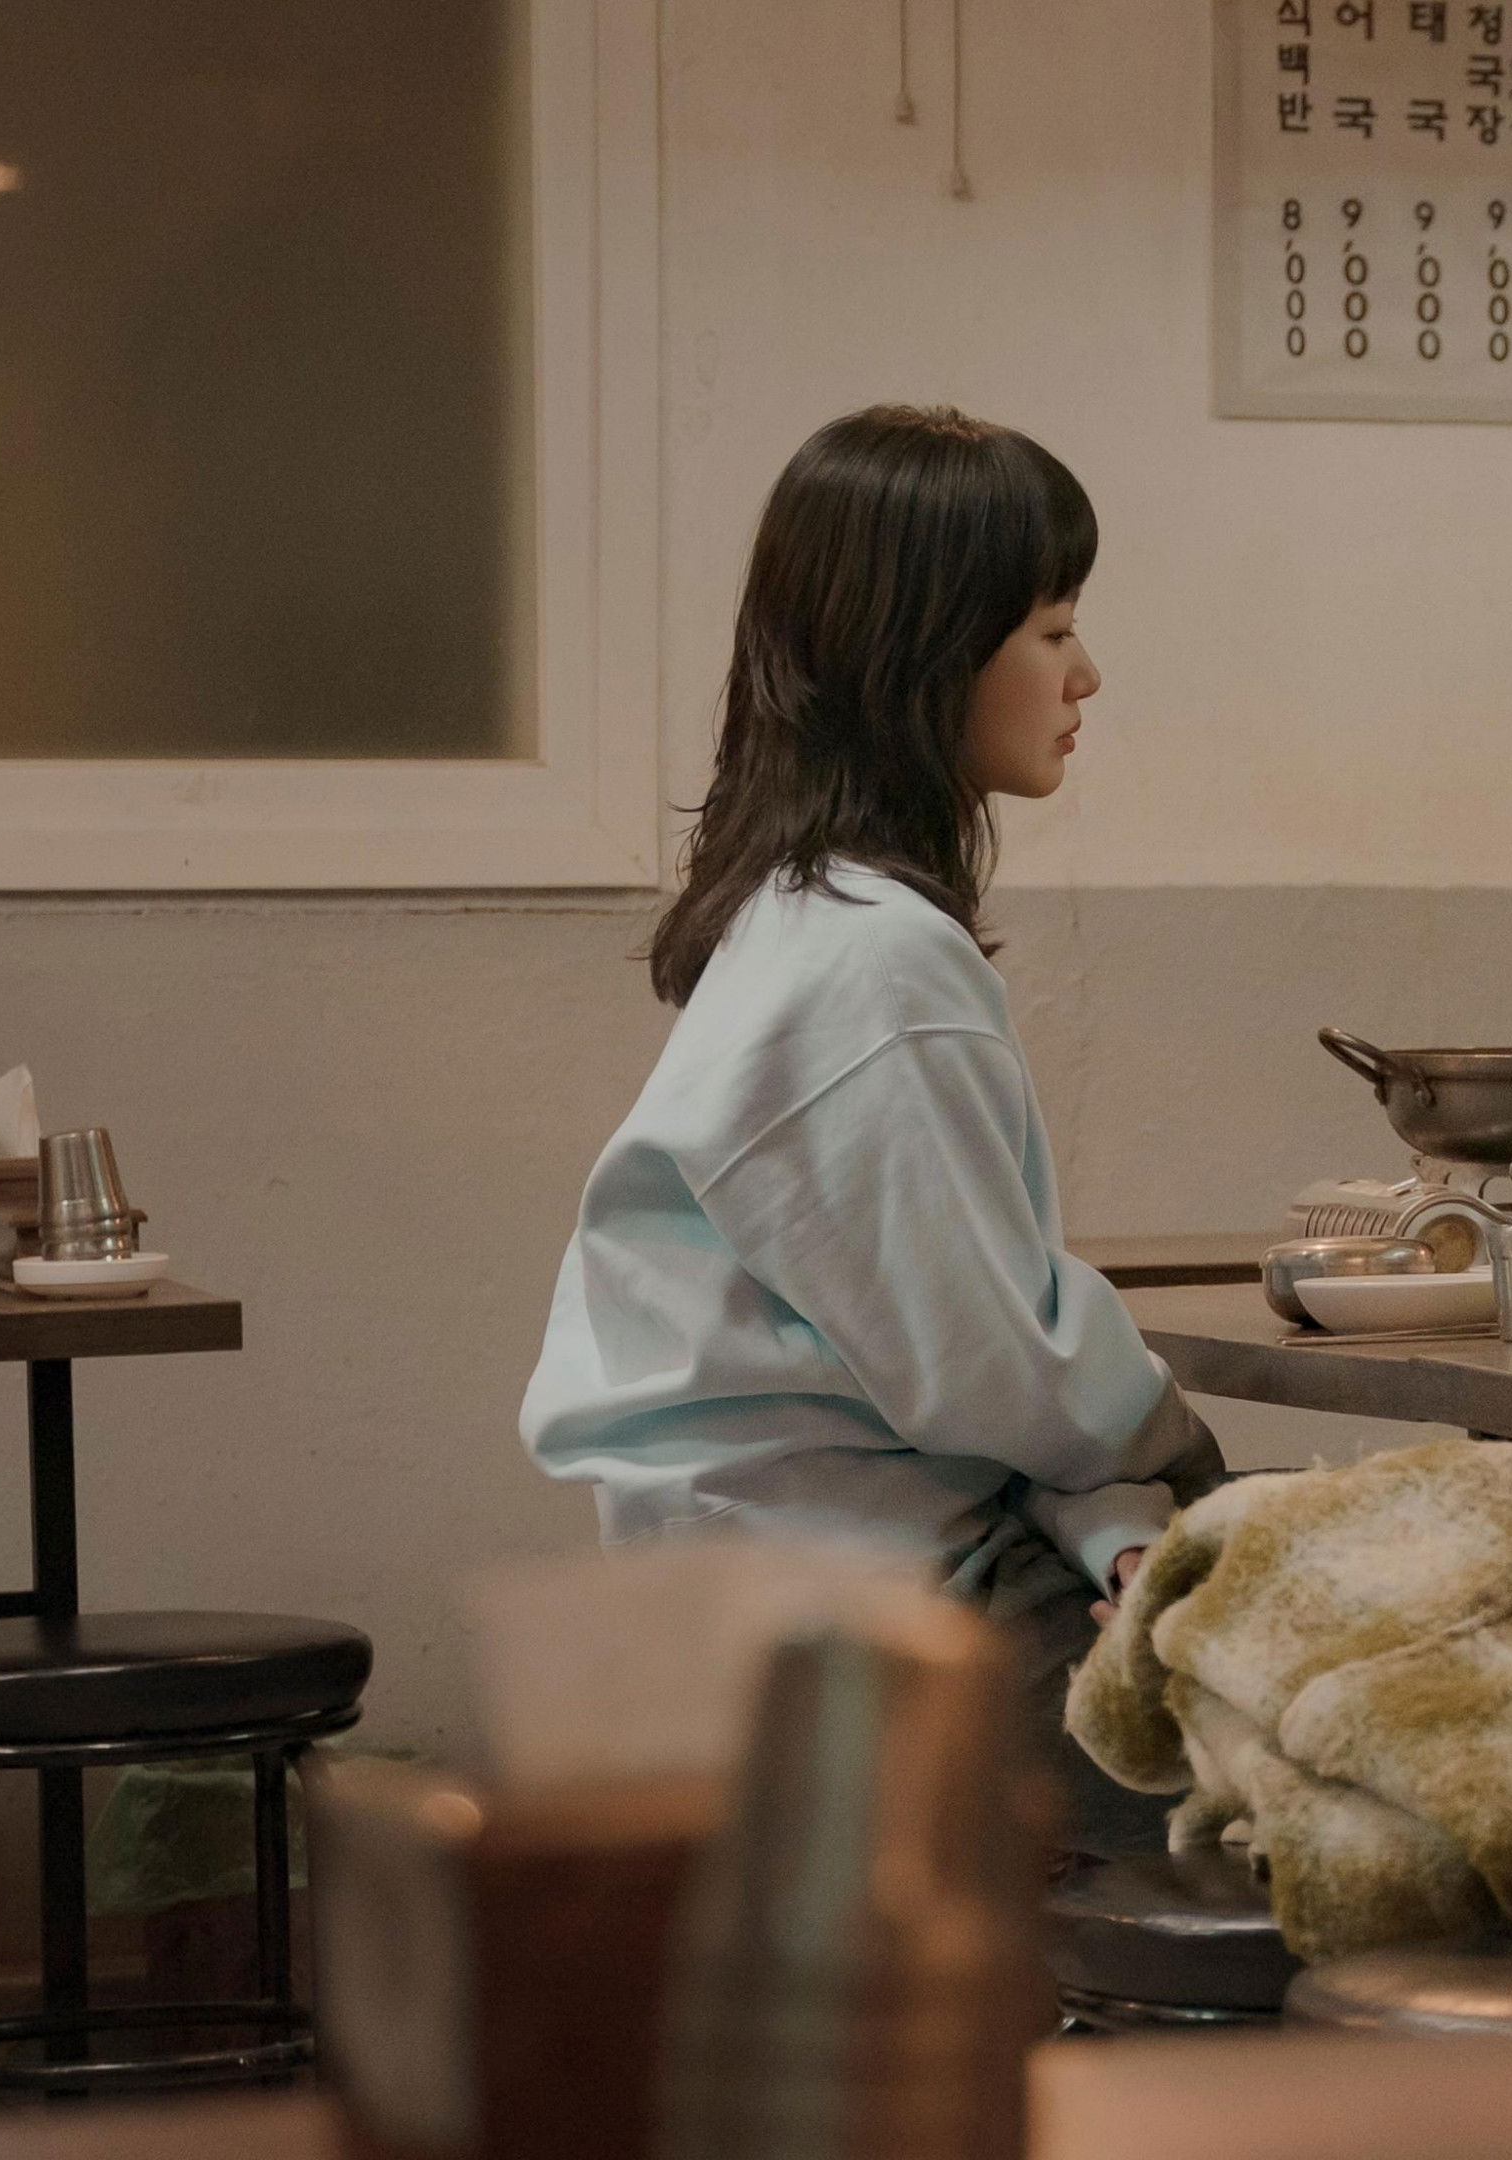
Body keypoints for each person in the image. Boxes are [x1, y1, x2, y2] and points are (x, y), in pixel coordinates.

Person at [520, 404, 1214, 1854]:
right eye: (1051, 630)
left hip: (774, 1573)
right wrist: (1180, 1457)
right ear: (926, 656)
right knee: (1369, 1721)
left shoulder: (803, 917)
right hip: (851, 1617)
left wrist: (1122, 1512)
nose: (1086, 675)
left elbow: (965, 1380)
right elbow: (994, 1374)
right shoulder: (874, 960)